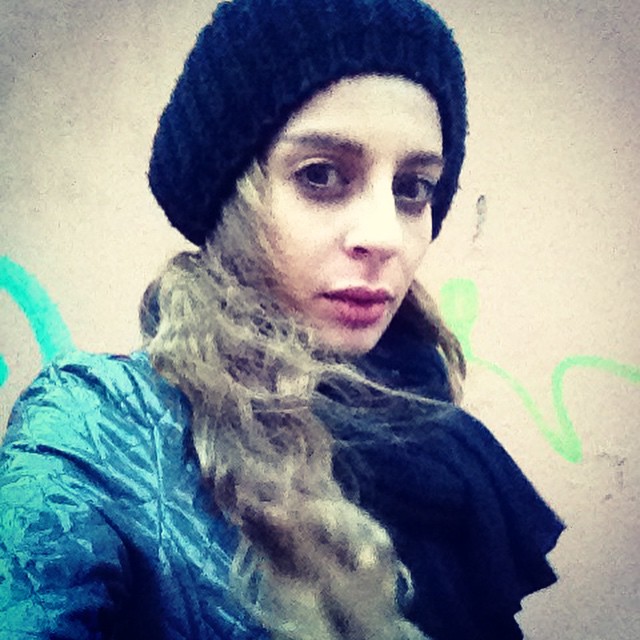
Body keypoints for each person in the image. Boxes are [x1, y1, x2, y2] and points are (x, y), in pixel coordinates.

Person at [0, 0, 564, 638]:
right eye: (321, 175)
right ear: (230, 198)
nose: (385, 236)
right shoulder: (99, 430)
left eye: (412, 187)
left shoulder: (436, 428)